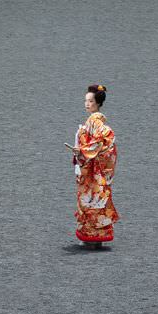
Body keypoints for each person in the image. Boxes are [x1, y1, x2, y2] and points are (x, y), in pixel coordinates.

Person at [68, 84, 120, 247]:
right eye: (86, 100)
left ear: (97, 103)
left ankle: (92, 237)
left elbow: (101, 140)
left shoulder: (95, 121)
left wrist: (83, 150)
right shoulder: (95, 121)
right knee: (96, 199)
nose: (87, 104)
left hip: (93, 166)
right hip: (95, 165)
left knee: (91, 199)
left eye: (90, 101)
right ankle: (97, 237)